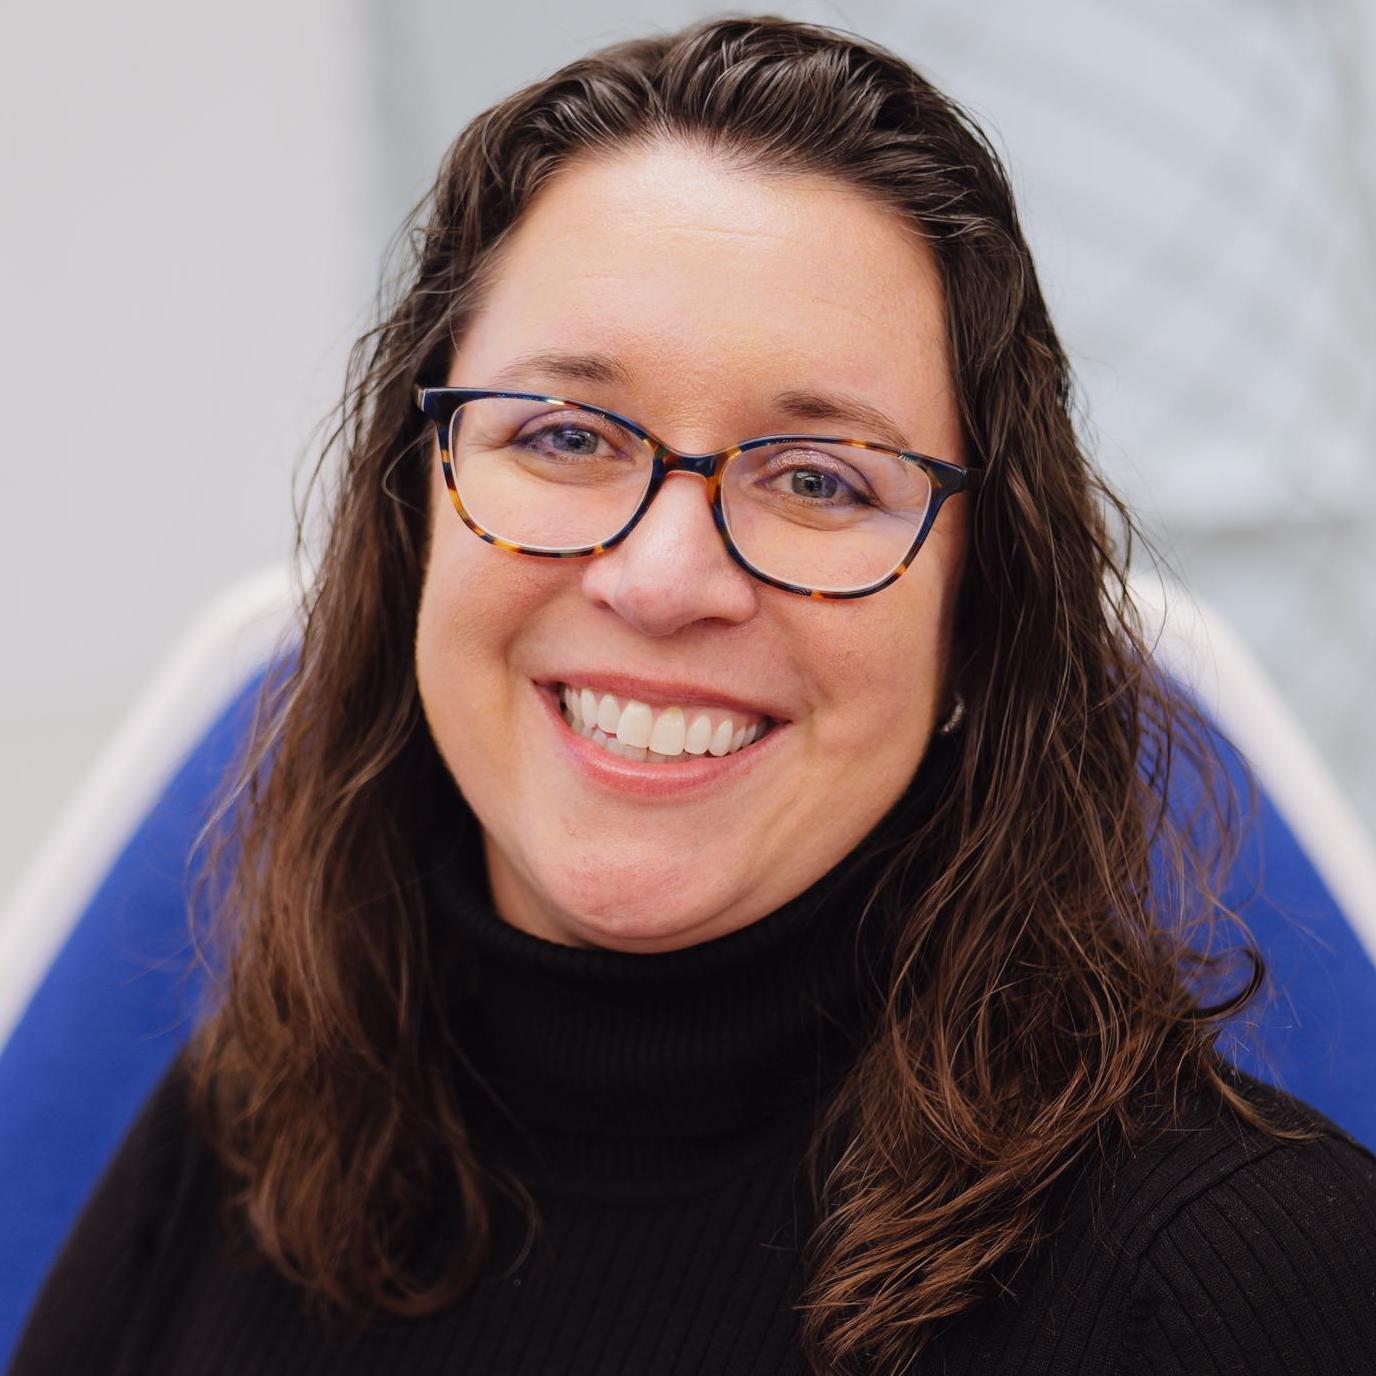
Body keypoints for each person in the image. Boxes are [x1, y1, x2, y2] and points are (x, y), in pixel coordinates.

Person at [11, 15, 1376, 1376]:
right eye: (563, 435)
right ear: (410, 509)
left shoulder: (1236, 1296)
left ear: (981, 617)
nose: (662, 579)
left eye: (819, 479)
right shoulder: (252, 1134)